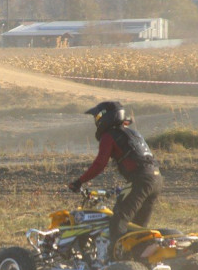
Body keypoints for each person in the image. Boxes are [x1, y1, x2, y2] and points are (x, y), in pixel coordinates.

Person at [68, 101, 163, 260]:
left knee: (118, 221)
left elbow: (99, 164)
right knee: (137, 228)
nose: (96, 121)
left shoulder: (109, 135)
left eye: (98, 117)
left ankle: (114, 262)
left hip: (140, 180)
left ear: (105, 117)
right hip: (156, 178)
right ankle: (139, 262)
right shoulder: (133, 134)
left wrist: (79, 181)